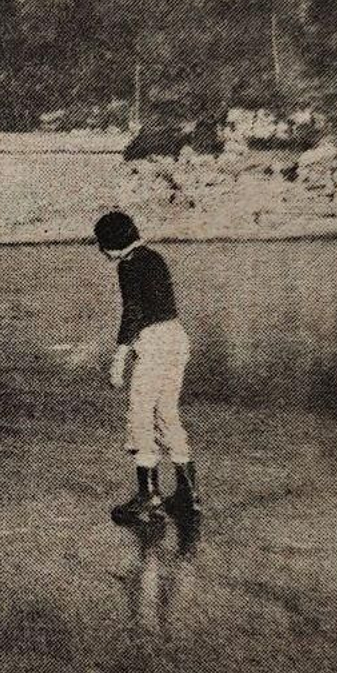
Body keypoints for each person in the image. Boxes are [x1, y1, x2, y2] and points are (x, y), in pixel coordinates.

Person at [96, 211, 201, 524]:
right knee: (167, 412)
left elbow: (133, 311)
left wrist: (119, 356)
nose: (101, 251)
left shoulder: (128, 266)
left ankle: (148, 497)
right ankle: (188, 494)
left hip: (154, 343)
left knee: (140, 414)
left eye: (102, 244)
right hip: (176, 337)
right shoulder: (154, 257)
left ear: (112, 245)